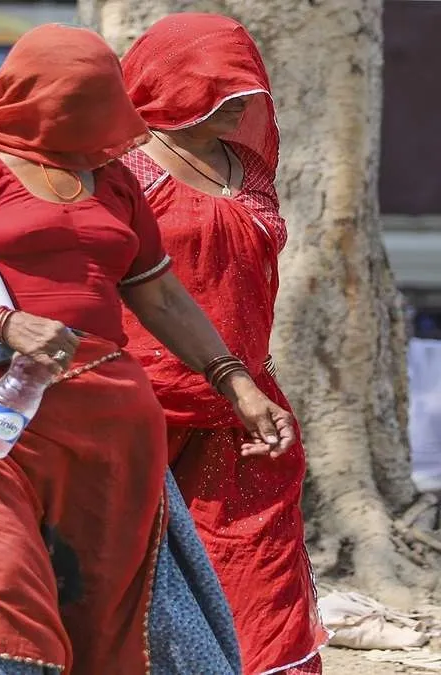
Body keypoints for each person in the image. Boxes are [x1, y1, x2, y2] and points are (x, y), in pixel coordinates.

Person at [0, 25, 297, 674]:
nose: (102, 125)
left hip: (100, 417)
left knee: (105, 592)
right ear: (27, 98)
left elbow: (162, 297)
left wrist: (238, 384)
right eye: (80, 105)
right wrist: (0, 321)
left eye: (105, 104)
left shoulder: (111, 176)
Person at [119, 14, 330, 674]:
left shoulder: (248, 167)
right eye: (219, 91)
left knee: (260, 565)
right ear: (166, 83)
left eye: (244, 92)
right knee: (137, 575)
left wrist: (242, 383)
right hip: (144, 411)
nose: (241, 105)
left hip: (245, 408)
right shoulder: (122, 172)